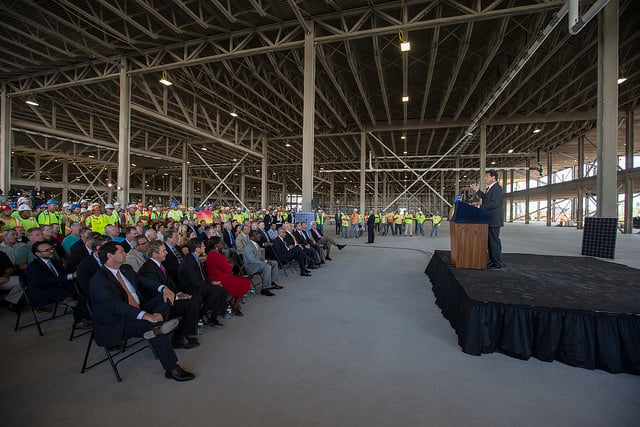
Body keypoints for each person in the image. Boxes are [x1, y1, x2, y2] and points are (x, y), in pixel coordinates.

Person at [89, 242, 195, 381]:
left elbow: (143, 281)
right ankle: (172, 368)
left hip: (139, 308)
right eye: (121, 251)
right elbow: (115, 306)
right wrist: (145, 316)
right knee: (155, 327)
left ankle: (160, 321)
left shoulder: (125, 268)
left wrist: (163, 288)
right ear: (110, 256)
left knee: (165, 298)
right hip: (118, 320)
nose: (125, 254)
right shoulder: (98, 280)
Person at [138, 240, 201, 350]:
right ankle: (179, 338)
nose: (167, 252)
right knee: (192, 304)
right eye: (164, 251)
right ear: (154, 254)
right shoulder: (148, 269)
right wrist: (177, 297)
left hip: (167, 299)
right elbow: (157, 291)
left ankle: (184, 333)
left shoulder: (158, 265)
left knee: (194, 298)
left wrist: (180, 294)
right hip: (159, 304)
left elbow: (168, 286)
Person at [179, 238, 227, 326]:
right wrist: (210, 284)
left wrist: (211, 282)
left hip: (198, 284)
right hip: (191, 288)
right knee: (217, 290)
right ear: (197, 249)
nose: (205, 247)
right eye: (203, 246)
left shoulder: (195, 258)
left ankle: (213, 316)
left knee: (222, 289)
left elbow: (203, 276)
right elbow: (194, 282)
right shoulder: (189, 261)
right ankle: (201, 314)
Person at [205, 236, 251, 315]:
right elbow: (228, 269)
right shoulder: (216, 255)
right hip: (220, 279)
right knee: (245, 282)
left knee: (243, 280)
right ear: (216, 245)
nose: (222, 244)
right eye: (220, 242)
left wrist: (227, 262)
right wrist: (231, 264)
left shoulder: (211, 254)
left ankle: (232, 302)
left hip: (217, 277)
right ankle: (234, 306)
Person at [470, 170, 504, 269]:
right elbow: (486, 199)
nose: (485, 178)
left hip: (494, 219)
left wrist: (479, 207)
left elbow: (495, 203)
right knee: (489, 242)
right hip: (489, 219)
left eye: (487, 177)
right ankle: (493, 261)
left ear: (493, 177)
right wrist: (478, 191)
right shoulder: (491, 189)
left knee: (494, 242)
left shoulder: (497, 188)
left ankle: (497, 263)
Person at [243, 231, 281, 296]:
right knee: (267, 266)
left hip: (258, 264)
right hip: (251, 266)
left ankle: (271, 282)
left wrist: (266, 261)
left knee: (275, 263)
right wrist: (265, 262)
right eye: (257, 235)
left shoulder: (256, 244)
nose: (259, 236)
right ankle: (265, 289)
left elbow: (260, 258)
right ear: (252, 237)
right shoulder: (248, 247)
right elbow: (252, 261)